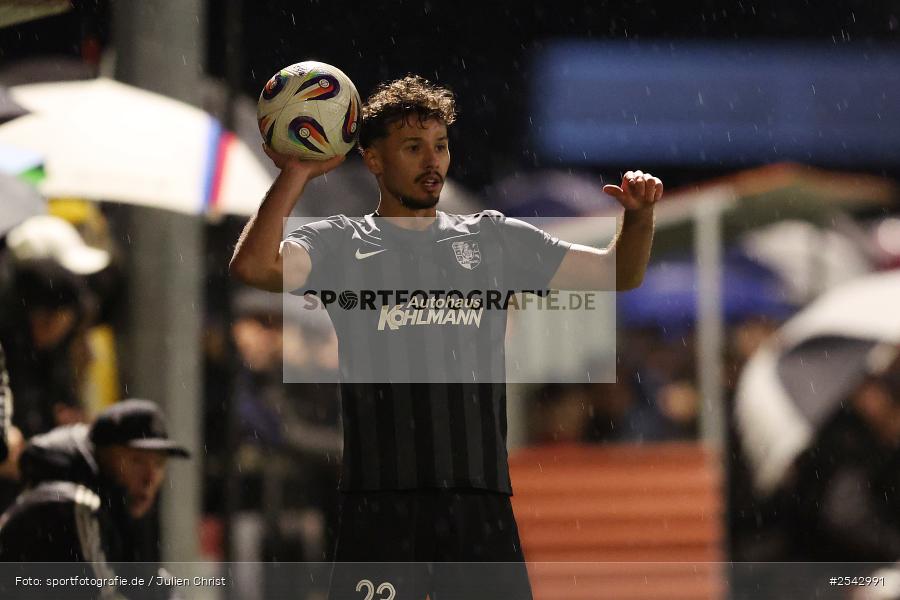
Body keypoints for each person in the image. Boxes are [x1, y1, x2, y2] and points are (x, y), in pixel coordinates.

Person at [230, 75, 661, 599]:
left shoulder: (493, 238)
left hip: (477, 500)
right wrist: (297, 171)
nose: (432, 161)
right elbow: (253, 265)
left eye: (440, 146)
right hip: (381, 502)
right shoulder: (341, 243)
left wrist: (638, 218)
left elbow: (617, 273)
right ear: (373, 160)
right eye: (413, 148)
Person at [0, 399, 190, 599]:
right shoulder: (70, 504)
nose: (150, 478)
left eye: (159, 464)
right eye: (137, 460)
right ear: (103, 454)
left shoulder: (120, 505)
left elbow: (149, 583)